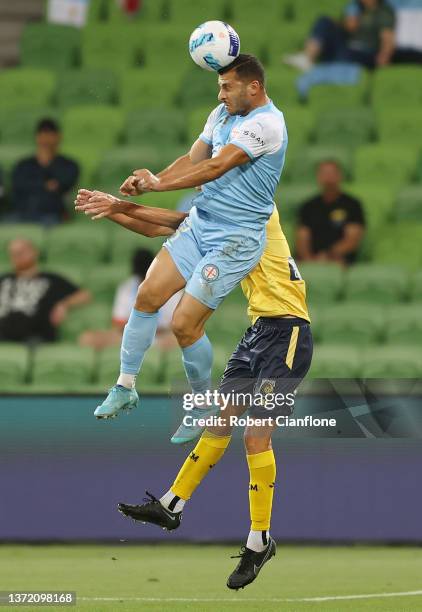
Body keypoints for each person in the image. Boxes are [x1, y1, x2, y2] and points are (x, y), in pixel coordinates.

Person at [76, 189, 312, 590]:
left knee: (255, 437)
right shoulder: (228, 215)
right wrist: (116, 210)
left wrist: (126, 205)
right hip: (259, 331)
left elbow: (170, 221)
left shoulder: (258, 204)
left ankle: (259, 540)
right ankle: (172, 504)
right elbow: (174, 226)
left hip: (288, 331)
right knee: (220, 422)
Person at [78, 54, 289, 434]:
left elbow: (214, 167)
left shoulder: (267, 125)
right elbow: (195, 158)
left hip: (236, 238)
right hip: (201, 223)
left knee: (183, 324)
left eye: (227, 86)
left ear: (253, 87)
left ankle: (201, 406)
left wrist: (156, 187)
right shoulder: (221, 114)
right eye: (219, 86)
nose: (221, 94)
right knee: (146, 297)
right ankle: (125, 386)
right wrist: (151, 179)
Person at [79, 248, 180, 351]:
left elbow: (177, 323)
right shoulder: (126, 288)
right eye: (142, 277)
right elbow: (118, 322)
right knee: (86, 338)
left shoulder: (171, 287)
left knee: (183, 339)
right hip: (130, 338)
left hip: (161, 338)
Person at [0, 238, 91, 343]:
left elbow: (85, 295)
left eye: (22, 251)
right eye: (14, 253)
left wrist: (64, 305)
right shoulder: (4, 279)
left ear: (35, 251)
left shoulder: (51, 279)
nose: (18, 255)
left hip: (35, 337)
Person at [284, 0, 396, 71]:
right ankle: (307, 57)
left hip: (365, 53)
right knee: (324, 21)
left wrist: (383, 59)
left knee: (342, 56)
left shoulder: (384, 11)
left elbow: (387, 39)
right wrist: (341, 23)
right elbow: (347, 28)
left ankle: (325, 65)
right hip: (347, 47)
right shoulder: (356, 6)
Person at [295, 160, 365, 266]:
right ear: (318, 177)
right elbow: (302, 236)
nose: (328, 178)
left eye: (332, 173)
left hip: (340, 260)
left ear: (340, 176)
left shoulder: (352, 205)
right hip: (310, 260)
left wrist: (328, 255)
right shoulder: (308, 206)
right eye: (324, 174)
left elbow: (352, 239)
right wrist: (308, 259)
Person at [10, 119, 79, 225]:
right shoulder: (23, 165)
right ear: (36, 137)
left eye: (50, 133)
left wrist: (33, 185)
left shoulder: (68, 165)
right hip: (22, 214)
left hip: (51, 215)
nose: (46, 138)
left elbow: (63, 185)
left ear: (58, 136)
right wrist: (45, 185)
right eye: (42, 133)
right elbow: (18, 186)